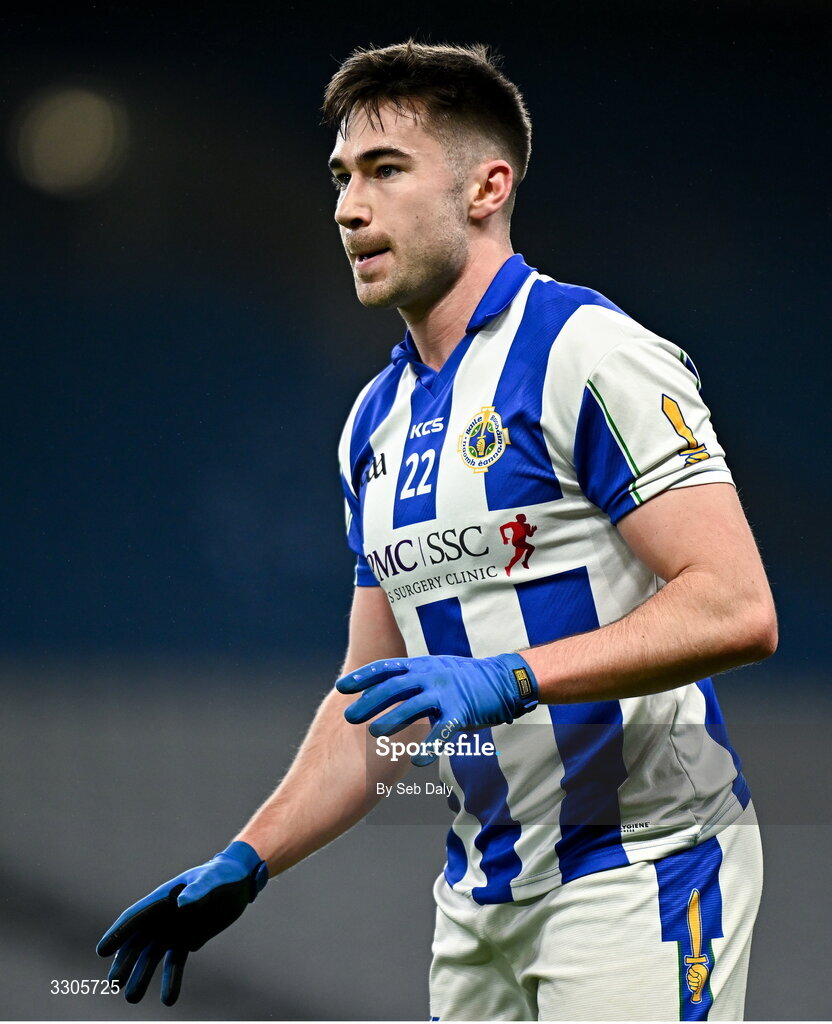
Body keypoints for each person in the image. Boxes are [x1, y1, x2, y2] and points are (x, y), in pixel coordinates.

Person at [97, 41, 777, 1020]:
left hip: (640, 869)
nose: (346, 207)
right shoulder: (373, 424)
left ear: (485, 187)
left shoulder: (586, 353)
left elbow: (737, 606)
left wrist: (511, 678)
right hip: (476, 906)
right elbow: (371, 705)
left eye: (383, 169)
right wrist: (251, 856)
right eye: (339, 177)